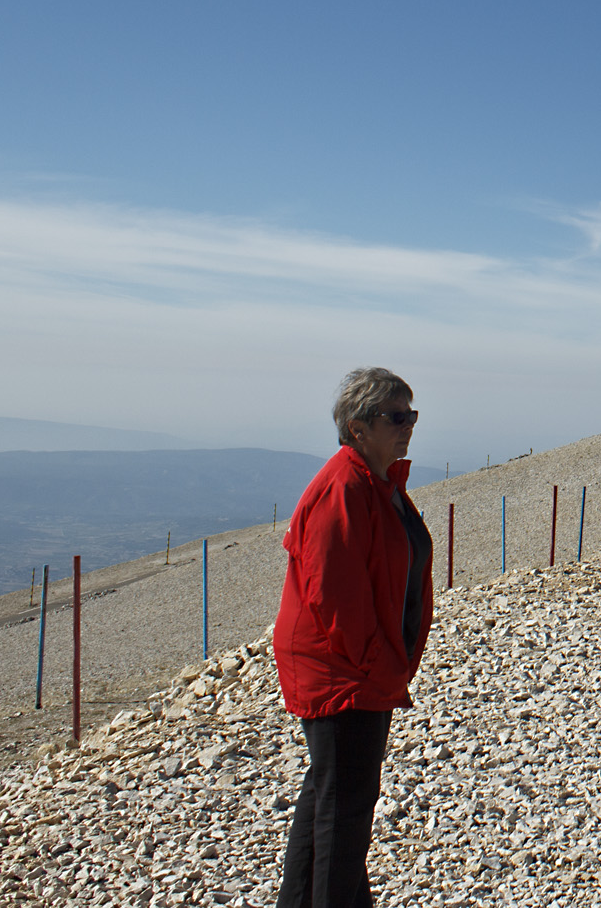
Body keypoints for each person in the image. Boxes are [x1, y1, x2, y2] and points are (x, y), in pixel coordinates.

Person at [274, 367, 435, 908]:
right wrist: (379, 667)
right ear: (357, 426)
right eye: (396, 416)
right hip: (342, 673)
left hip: (354, 670)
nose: (408, 425)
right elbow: (335, 595)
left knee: (326, 803)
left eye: (410, 414)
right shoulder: (345, 486)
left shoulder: (375, 480)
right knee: (343, 817)